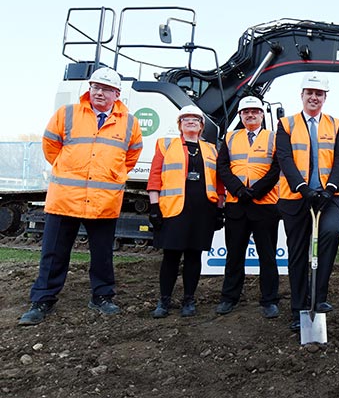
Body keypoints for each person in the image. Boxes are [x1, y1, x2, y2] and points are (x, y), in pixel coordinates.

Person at [19, 67, 143, 326]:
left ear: (117, 94)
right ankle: (42, 300)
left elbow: (130, 157)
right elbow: (50, 147)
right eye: (96, 87)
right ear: (89, 89)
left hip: (103, 201)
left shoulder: (129, 122)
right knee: (53, 253)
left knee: (102, 254)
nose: (100, 92)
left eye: (106, 89)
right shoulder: (67, 114)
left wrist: (110, 176)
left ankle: (102, 296)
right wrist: (69, 170)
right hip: (66, 197)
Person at [276, 72, 339, 332]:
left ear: (325, 97)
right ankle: (299, 308)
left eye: (319, 94)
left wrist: (330, 188)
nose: (314, 97)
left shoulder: (336, 124)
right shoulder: (286, 124)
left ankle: (319, 297)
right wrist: (302, 187)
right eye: (310, 93)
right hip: (296, 198)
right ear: (302, 96)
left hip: (327, 198)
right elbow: (284, 158)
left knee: (331, 233)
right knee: (297, 253)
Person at [147, 105, 225, 318]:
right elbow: (155, 177)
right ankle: (164, 301)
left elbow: (219, 183)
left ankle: (189, 300)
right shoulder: (165, 145)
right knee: (170, 257)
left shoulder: (211, 149)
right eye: (185, 119)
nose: (190, 122)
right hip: (173, 210)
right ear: (179, 124)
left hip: (202, 211)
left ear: (201, 126)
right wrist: (154, 207)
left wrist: (219, 209)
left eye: (195, 119)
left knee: (193, 257)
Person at [215, 96, 282, 318]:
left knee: (268, 256)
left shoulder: (273, 137)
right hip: (237, 205)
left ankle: (269, 300)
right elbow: (222, 166)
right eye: (246, 112)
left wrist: (256, 191)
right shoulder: (231, 137)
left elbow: (276, 168)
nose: (250, 115)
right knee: (234, 255)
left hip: (265, 206)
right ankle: (229, 298)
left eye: (255, 111)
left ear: (262, 115)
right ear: (240, 116)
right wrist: (237, 189)